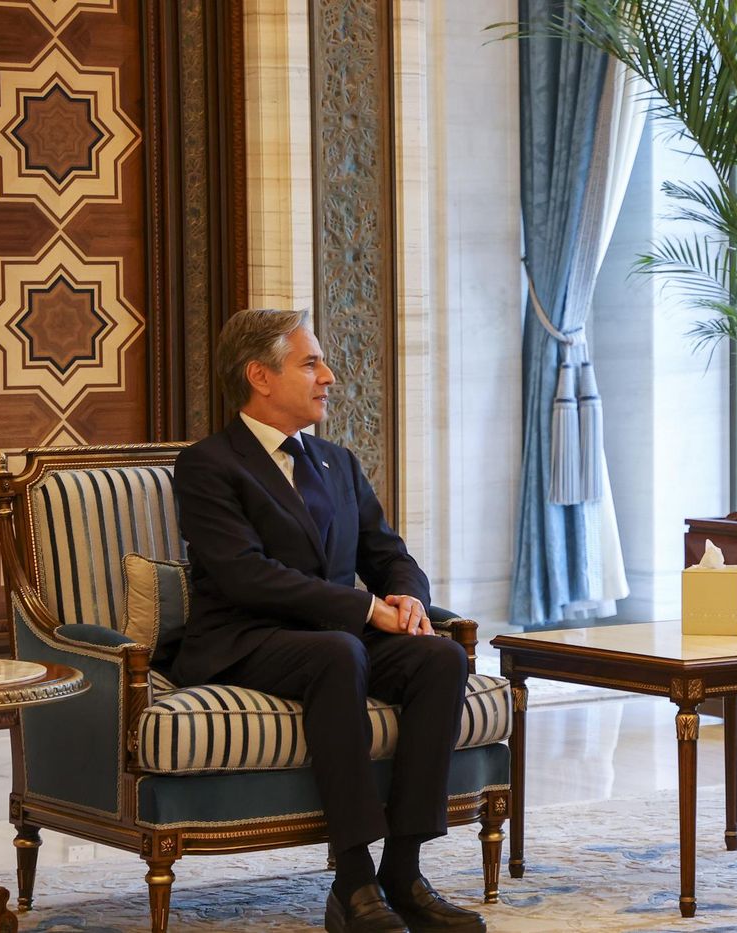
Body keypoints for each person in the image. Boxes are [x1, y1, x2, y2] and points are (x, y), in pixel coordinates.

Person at [172, 309, 485, 933]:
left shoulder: (335, 461)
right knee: (340, 652)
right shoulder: (208, 464)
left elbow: (389, 555)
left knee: (440, 657)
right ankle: (353, 880)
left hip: (336, 637)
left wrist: (407, 598)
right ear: (260, 376)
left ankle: (403, 872)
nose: (329, 377)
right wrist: (366, 609)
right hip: (247, 636)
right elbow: (245, 575)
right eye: (310, 363)